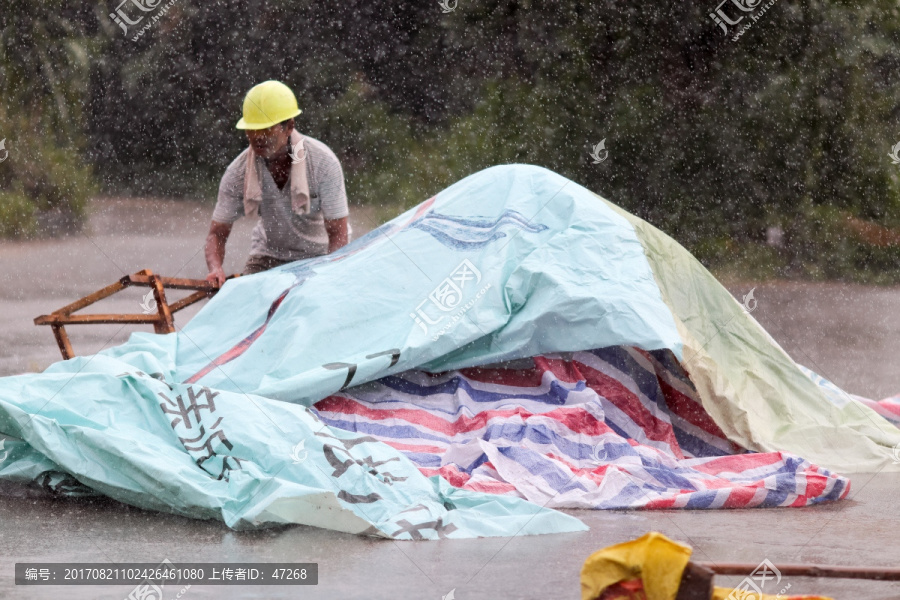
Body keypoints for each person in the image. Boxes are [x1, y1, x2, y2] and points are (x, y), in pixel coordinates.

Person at [205, 80, 349, 286]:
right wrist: (215, 269)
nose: (257, 138)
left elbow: (338, 233)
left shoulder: (323, 162)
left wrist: (331, 274)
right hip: (268, 255)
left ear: (289, 126)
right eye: (252, 130)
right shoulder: (238, 172)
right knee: (247, 305)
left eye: (266, 129)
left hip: (320, 255)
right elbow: (216, 234)